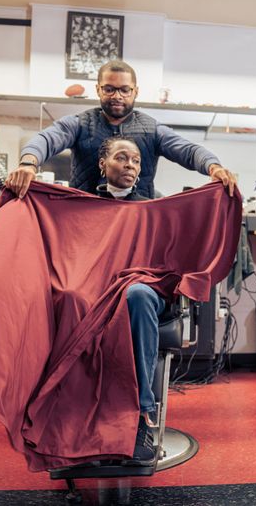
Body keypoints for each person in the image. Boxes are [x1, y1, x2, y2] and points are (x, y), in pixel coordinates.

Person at [4, 59, 237, 199]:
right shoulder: (78, 124)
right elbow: (46, 139)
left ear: (135, 91)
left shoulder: (152, 130)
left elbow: (188, 150)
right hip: (86, 220)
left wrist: (213, 167)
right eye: (109, 89)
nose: (117, 96)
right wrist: (28, 164)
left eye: (125, 90)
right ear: (98, 90)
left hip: (136, 221)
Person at [94, 136, 160, 465]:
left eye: (135, 161)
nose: (131, 166)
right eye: (122, 158)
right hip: (97, 288)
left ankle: (140, 417)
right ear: (102, 165)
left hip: (142, 288)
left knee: (137, 294)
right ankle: (69, 416)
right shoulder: (82, 204)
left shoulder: (154, 206)